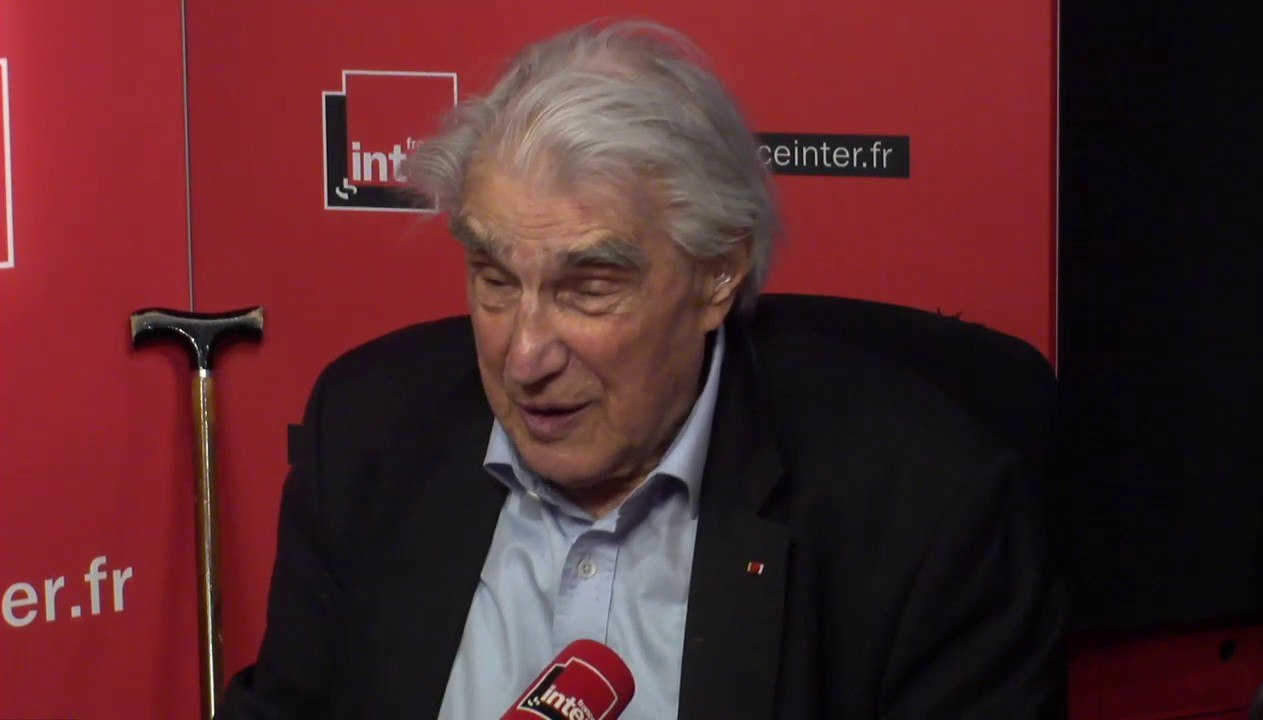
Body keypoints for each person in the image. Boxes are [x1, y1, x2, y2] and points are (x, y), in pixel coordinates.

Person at [219, 20, 1064, 719]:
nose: (524, 356)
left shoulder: (923, 513)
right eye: (495, 281)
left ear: (718, 273)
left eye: (588, 289)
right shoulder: (368, 436)